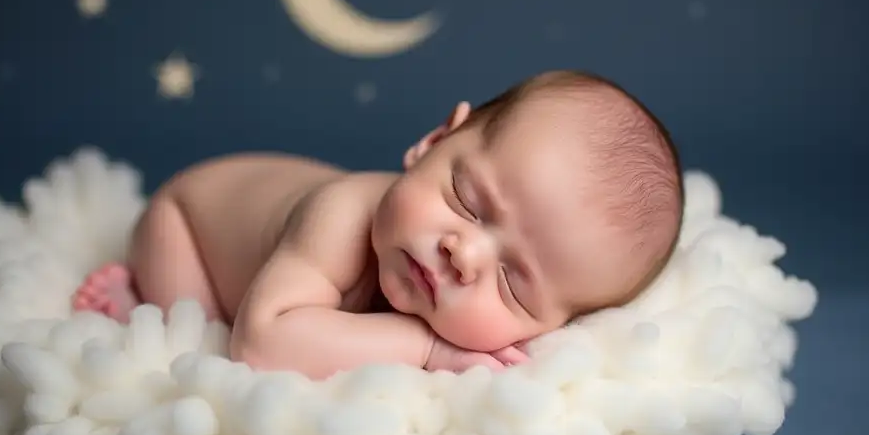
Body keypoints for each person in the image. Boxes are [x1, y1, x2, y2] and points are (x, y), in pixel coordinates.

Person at [71, 70, 684, 380]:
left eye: (514, 284)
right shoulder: (341, 219)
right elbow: (261, 343)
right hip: (189, 221)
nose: (463, 252)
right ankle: (139, 291)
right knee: (199, 330)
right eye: (467, 201)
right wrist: (426, 349)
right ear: (434, 140)